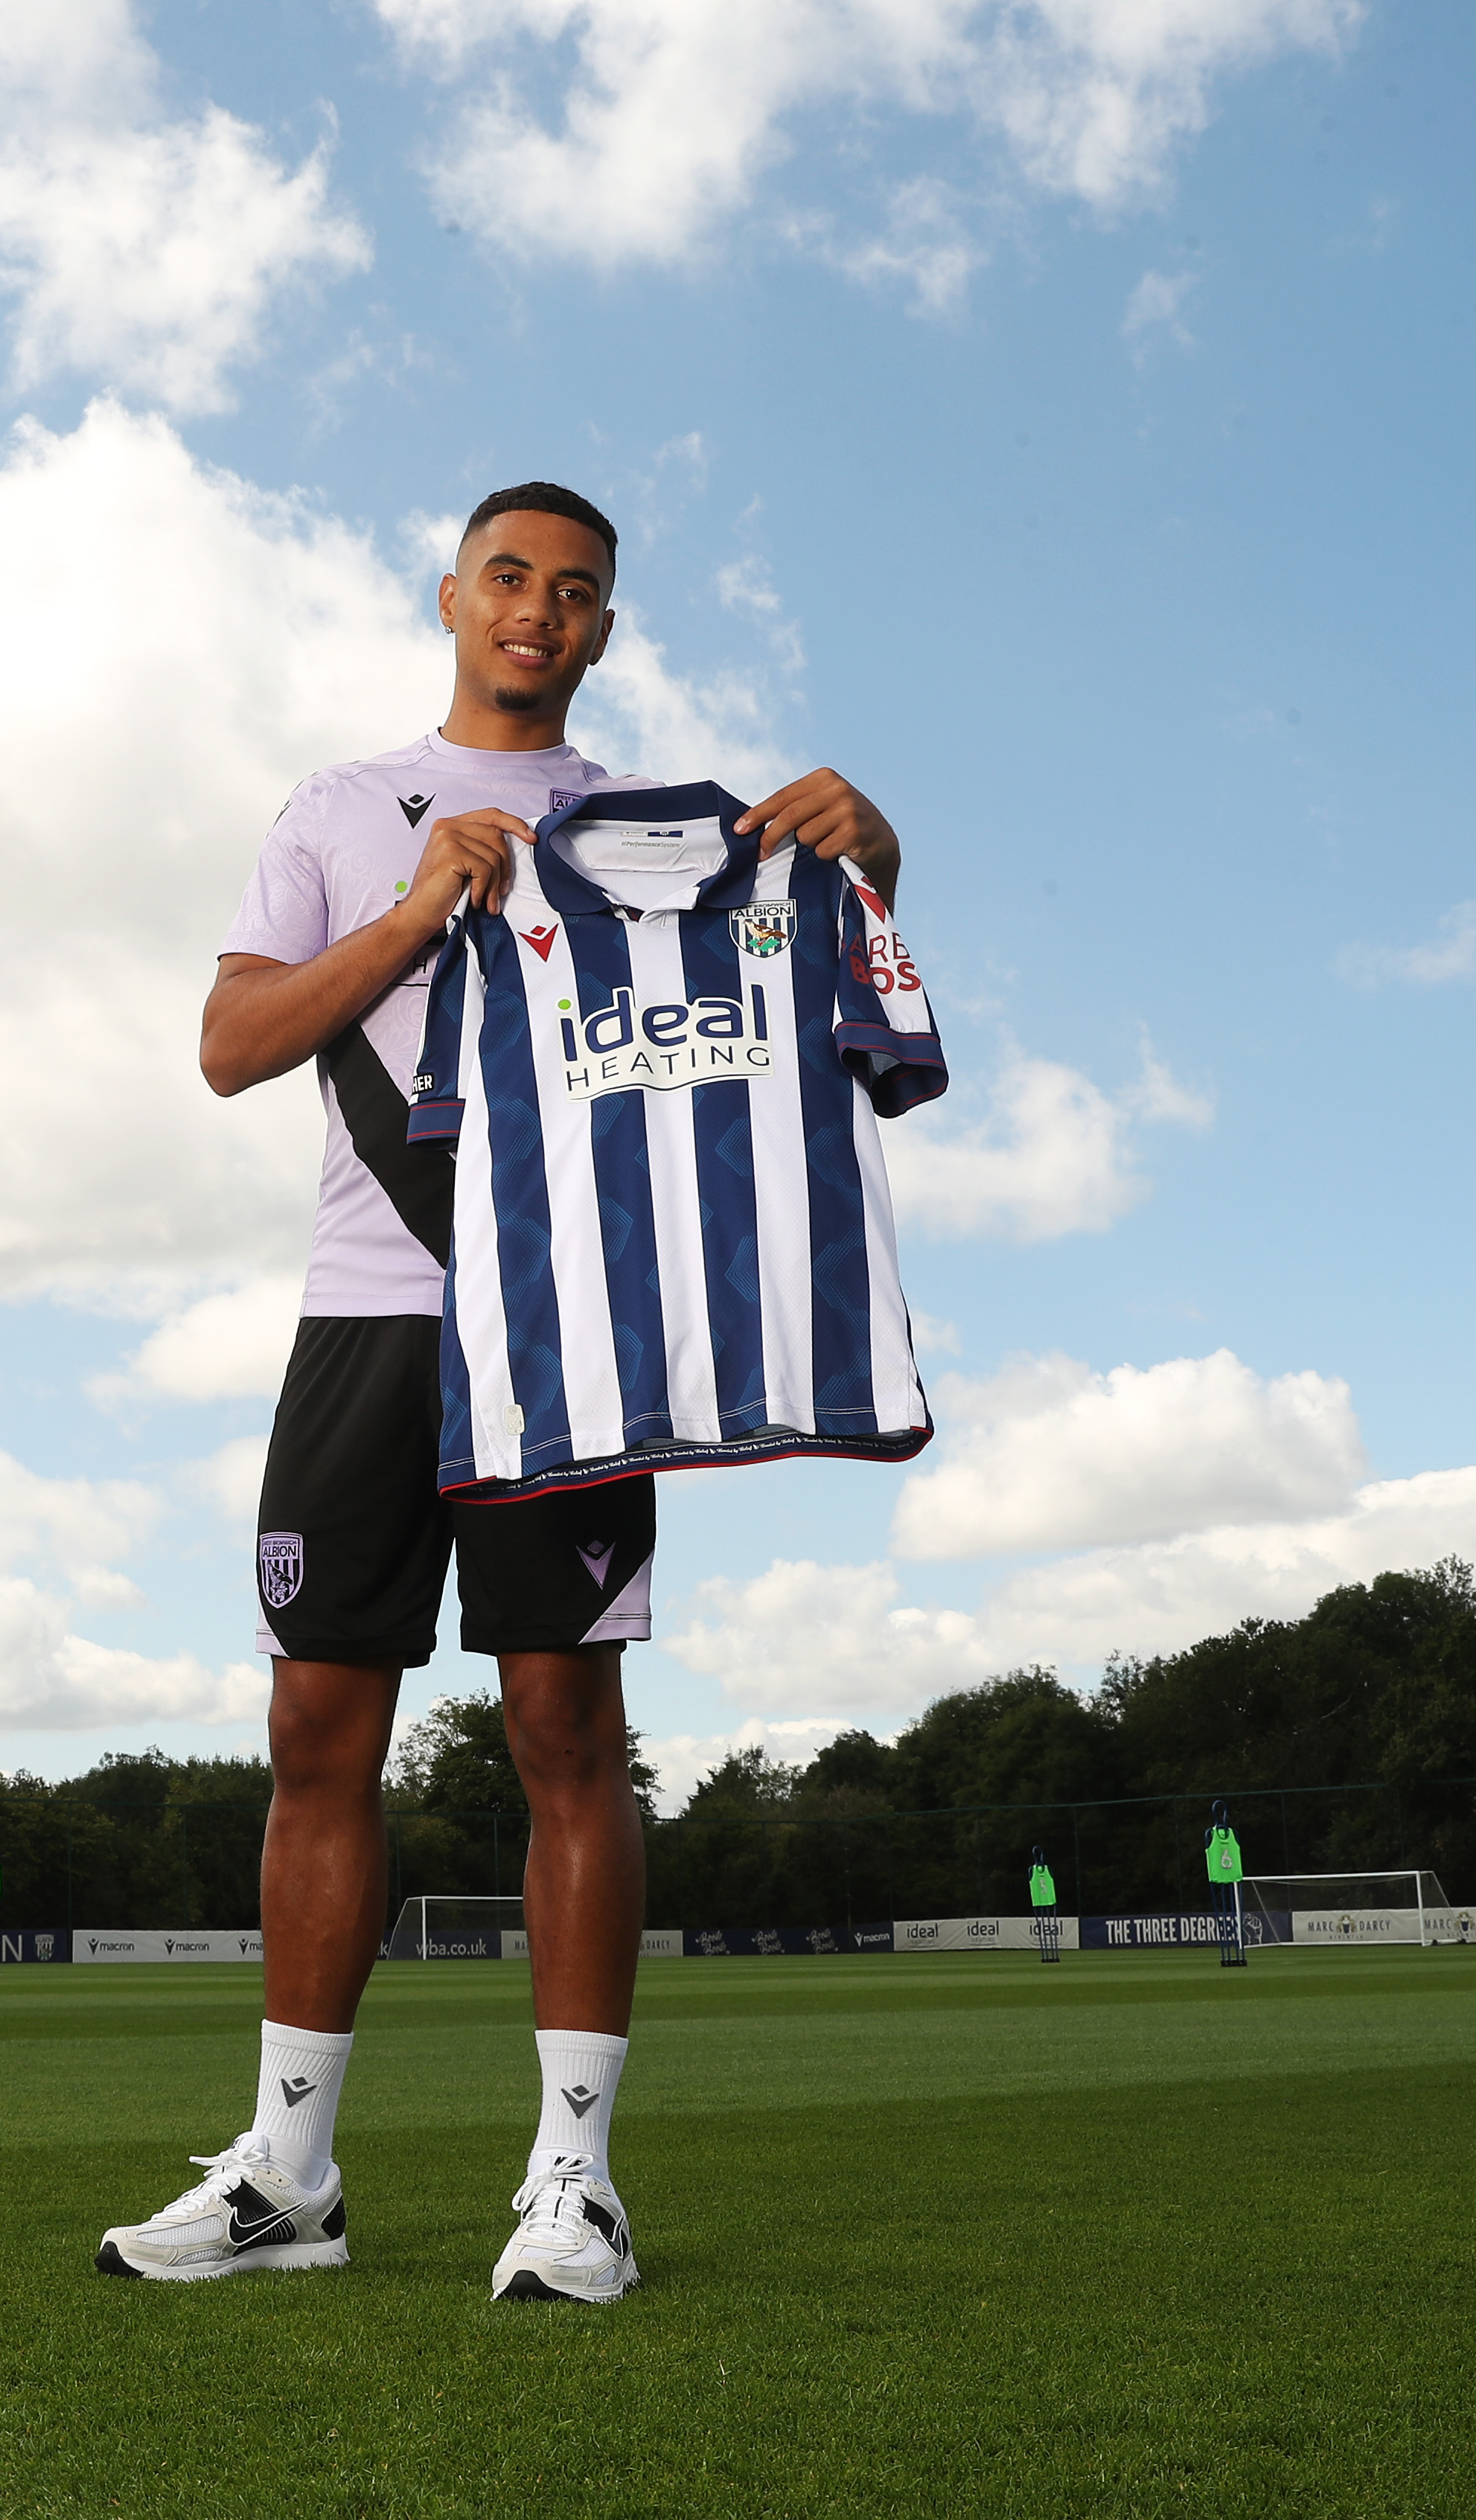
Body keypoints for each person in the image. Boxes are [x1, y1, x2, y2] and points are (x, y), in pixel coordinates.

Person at [92, 482, 904, 2300]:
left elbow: (785, 1008)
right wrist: (407, 912)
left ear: (605, 631)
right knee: (318, 1735)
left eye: (579, 592)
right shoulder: (331, 807)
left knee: (562, 1733)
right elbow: (229, 1047)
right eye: (512, 578)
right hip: (367, 1322)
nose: (540, 608)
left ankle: (575, 2183)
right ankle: (290, 2174)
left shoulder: (658, 830)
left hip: (571, 1333)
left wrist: (868, 859)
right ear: (451, 596)